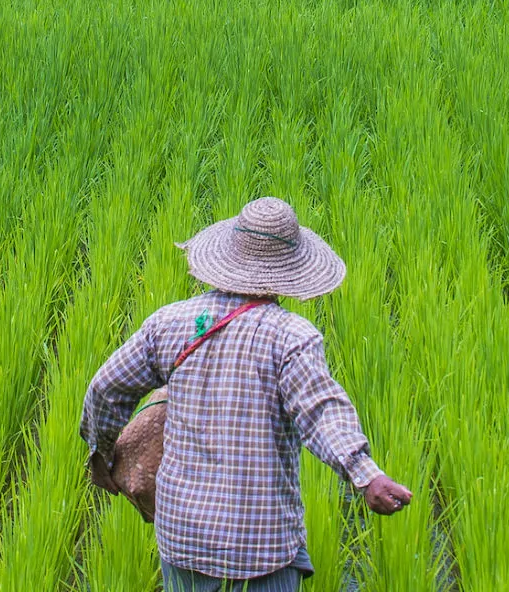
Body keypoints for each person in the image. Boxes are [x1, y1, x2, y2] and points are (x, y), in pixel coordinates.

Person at [81, 196, 414, 590]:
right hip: (262, 540)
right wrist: (365, 475)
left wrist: (103, 453)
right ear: (289, 271)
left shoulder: (168, 323)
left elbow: (104, 389)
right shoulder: (291, 338)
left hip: (183, 535)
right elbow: (322, 413)